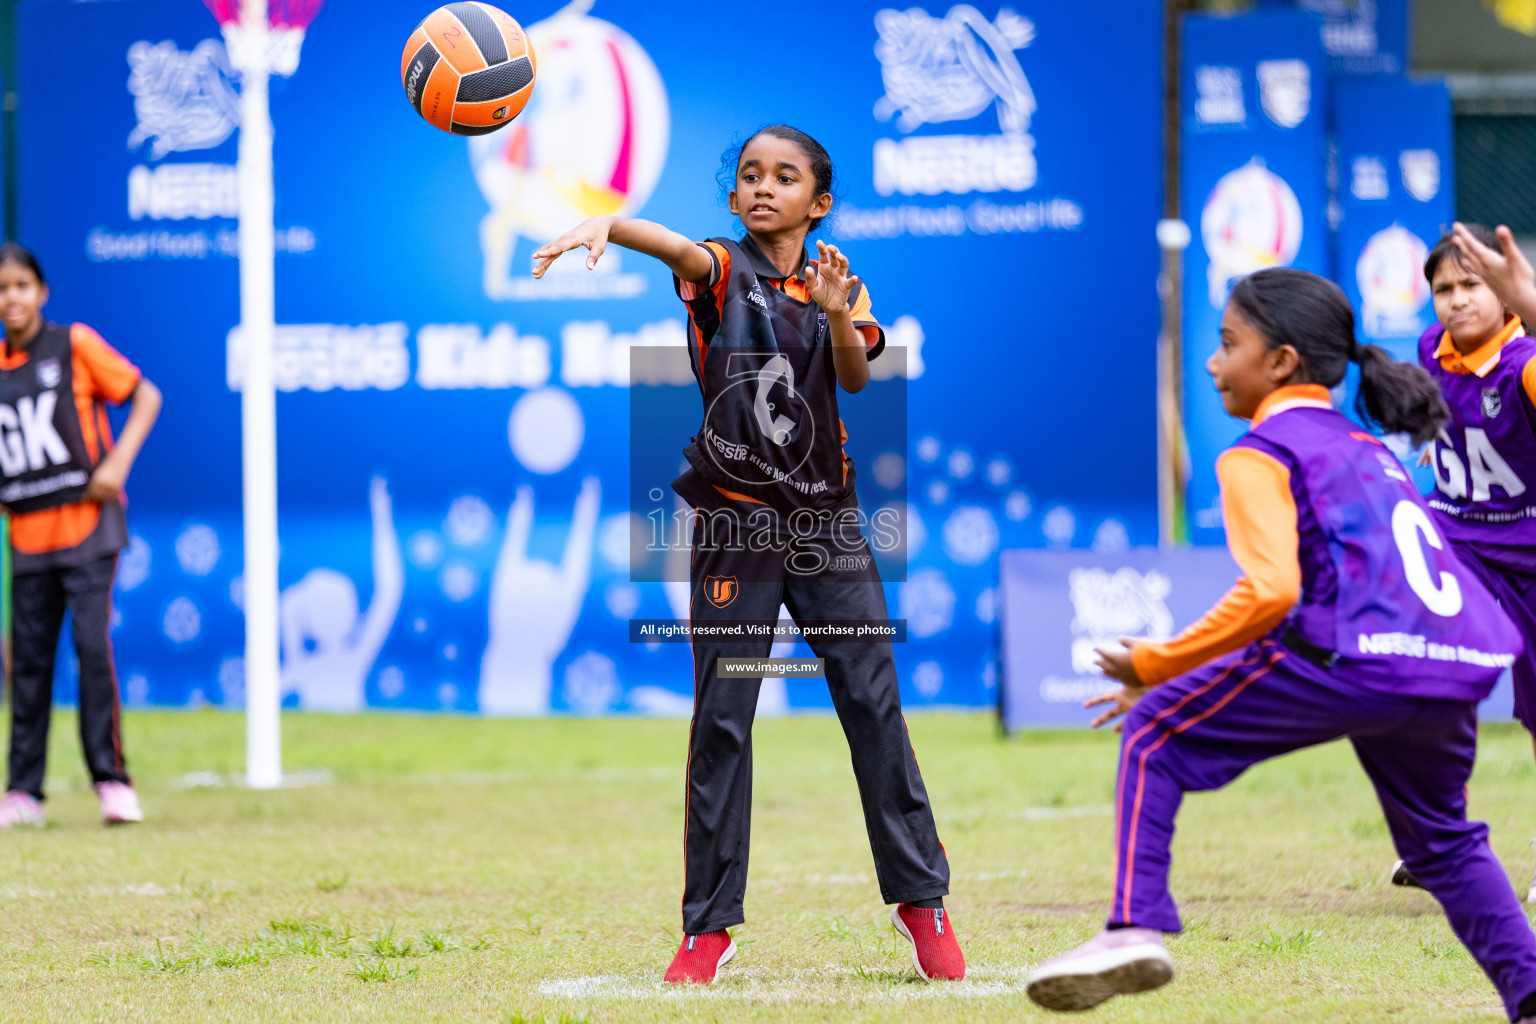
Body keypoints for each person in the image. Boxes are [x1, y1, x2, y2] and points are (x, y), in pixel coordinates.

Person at [1025, 267, 1536, 1022]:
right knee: (1445, 844)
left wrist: (1157, 665)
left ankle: (1133, 928)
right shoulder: (1370, 448)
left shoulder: (1259, 452)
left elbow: (1273, 592)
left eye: (1228, 343)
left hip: (1360, 657)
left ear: (1281, 362)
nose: (1212, 360)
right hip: (1447, 664)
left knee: (1156, 732)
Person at [532, 125, 964, 984]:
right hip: (735, 525)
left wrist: (842, 315)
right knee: (724, 718)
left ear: (820, 200)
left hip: (828, 526)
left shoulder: (839, 279)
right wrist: (611, 226)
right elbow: (675, 250)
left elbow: (856, 377)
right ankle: (708, 930)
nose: (765, 187)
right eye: (751, 176)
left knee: (872, 703)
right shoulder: (720, 269)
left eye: (786, 176)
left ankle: (922, 902)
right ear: (734, 199)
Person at [1384, 224, 1536, 898]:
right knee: (1426, 674)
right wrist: (1433, 439)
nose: (1456, 300)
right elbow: (1440, 411)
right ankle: (1437, 840)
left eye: (1471, 284)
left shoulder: (1523, 362)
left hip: (1528, 546)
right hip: (1459, 537)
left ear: (1505, 295)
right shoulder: (1429, 349)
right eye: (1443, 288)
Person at [0, 243, 161, 830]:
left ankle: (112, 782)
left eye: (20, 285)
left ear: (41, 292)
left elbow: (146, 394)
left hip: (89, 531)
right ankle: (23, 792)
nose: (10, 298)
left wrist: (116, 464)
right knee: (27, 666)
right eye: (1, 289)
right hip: (26, 539)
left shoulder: (74, 344)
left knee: (92, 652)